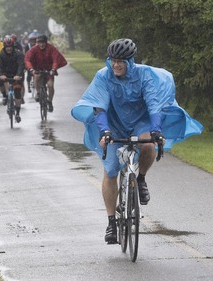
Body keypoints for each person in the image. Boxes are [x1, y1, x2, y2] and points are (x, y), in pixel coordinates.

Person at [71, 38, 203, 244]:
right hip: (113, 123)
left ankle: (140, 178)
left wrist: (156, 130)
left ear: (130, 61)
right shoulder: (104, 76)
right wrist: (105, 131)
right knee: (111, 169)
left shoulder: (145, 76)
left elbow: (154, 104)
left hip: (141, 122)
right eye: (113, 60)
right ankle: (111, 222)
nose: (116, 64)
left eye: (121, 61)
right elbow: (98, 106)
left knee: (148, 143)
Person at [25, 34, 67, 112]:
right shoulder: (34, 49)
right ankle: (38, 93)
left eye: (43, 42)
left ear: (46, 42)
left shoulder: (51, 48)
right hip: (37, 69)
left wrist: (53, 69)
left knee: (50, 85)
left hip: (49, 70)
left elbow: (55, 59)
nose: (41, 44)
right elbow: (28, 59)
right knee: (36, 76)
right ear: (37, 42)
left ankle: (50, 101)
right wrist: (31, 69)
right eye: (39, 42)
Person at [0, 37, 25, 123]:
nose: (9, 48)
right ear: (4, 47)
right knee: (0, 81)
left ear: (13, 46)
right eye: (7, 47)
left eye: (10, 46)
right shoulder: (1, 55)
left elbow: (21, 65)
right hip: (5, 74)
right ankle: (5, 96)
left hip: (16, 74)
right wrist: (1, 74)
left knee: (17, 91)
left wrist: (18, 75)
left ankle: (18, 113)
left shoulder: (19, 54)